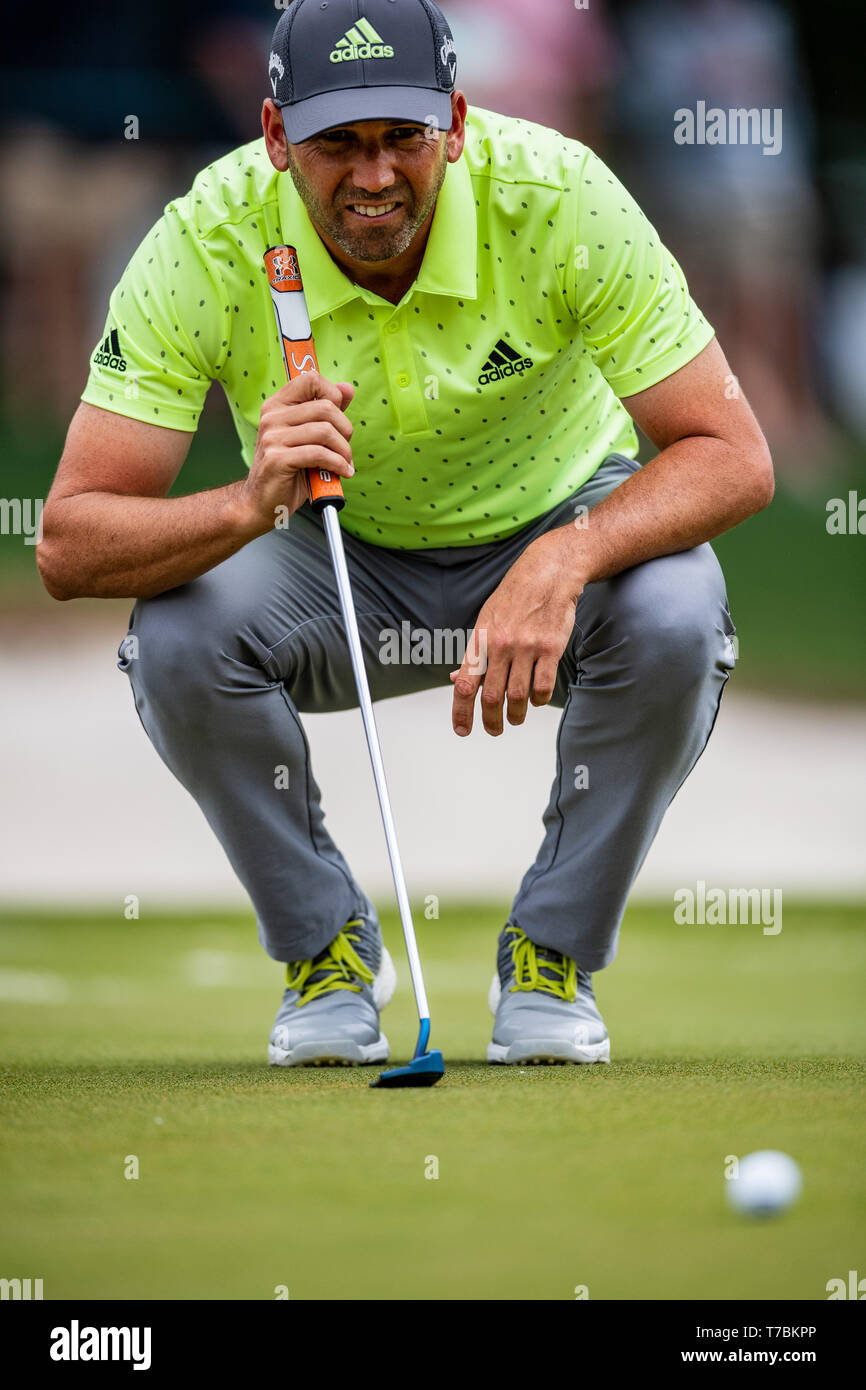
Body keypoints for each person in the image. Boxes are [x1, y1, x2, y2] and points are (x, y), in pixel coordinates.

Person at [37, 0, 773, 1069]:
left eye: (401, 140)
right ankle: (326, 949)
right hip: (331, 554)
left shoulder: (560, 197)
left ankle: (548, 954)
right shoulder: (208, 232)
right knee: (180, 635)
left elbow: (732, 452)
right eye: (338, 143)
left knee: (672, 608)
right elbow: (67, 542)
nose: (374, 176)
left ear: (457, 124)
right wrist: (248, 503)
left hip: (557, 520)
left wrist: (564, 556)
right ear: (278, 135)